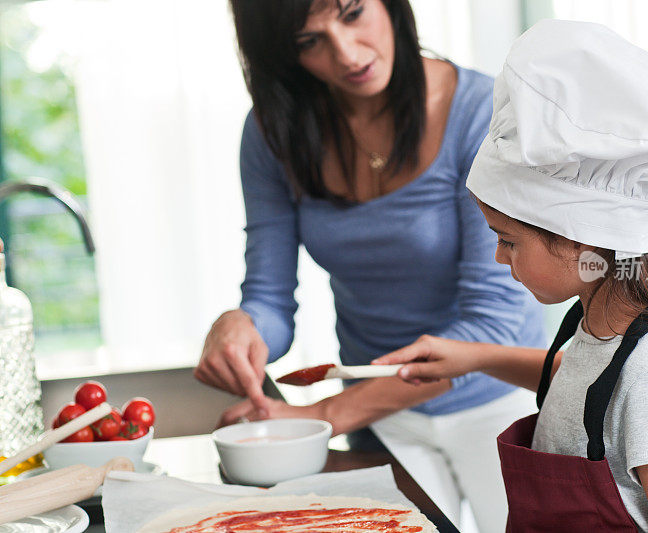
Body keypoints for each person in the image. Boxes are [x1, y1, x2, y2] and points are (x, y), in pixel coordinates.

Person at [374, 20, 648, 532]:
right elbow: (578, 380)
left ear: (578, 237)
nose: (498, 258)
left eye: (507, 239)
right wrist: (473, 357)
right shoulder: (601, 322)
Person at [193, 0, 545, 530]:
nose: (346, 54)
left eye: (354, 13)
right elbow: (269, 301)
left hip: (501, 406)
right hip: (382, 419)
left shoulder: (483, 113)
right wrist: (241, 326)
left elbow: (489, 324)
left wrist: (324, 416)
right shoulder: (274, 132)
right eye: (309, 42)